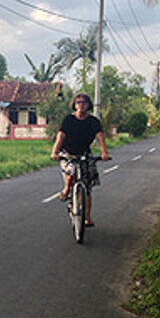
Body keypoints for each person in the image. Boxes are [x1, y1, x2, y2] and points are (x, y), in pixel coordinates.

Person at [50, 92, 110, 227]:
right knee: (71, 171)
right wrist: (55, 152)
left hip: (84, 153)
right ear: (74, 105)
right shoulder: (69, 120)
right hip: (68, 153)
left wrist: (104, 152)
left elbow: (100, 137)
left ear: (88, 105)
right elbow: (60, 137)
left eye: (84, 102)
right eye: (78, 102)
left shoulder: (93, 121)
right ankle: (66, 189)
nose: (81, 105)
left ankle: (87, 217)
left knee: (87, 187)